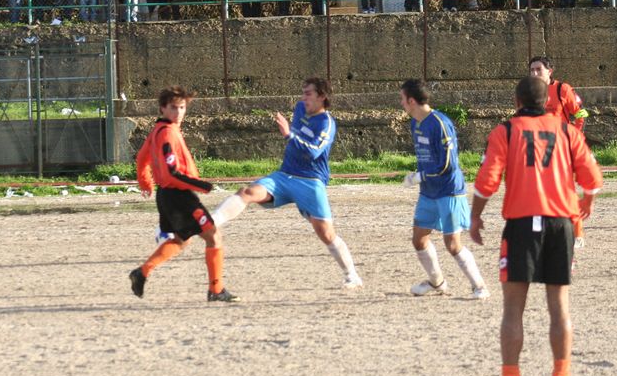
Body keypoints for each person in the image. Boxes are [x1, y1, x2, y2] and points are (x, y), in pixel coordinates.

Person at [470, 76, 602, 376]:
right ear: (548, 102)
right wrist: (587, 201)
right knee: (559, 307)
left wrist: (475, 216)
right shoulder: (567, 131)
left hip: (521, 225)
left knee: (513, 310)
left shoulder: (505, 131)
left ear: (516, 102)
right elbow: (591, 177)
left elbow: (487, 180)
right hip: (560, 224)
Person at [211, 78, 363, 289]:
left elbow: (313, 152)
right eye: (303, 93)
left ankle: (352, 275)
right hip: (284, 176)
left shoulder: (326, 123)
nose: (303, 98)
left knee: (326, 233)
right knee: (247, 192)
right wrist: (291, 134)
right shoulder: (300, 108)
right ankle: (211, 222)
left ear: (322, 97)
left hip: (310, 182)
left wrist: (289, 134)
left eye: (308, 93)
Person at [128, 86, 239, 303]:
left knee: (182, 240)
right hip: (179, 195)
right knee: (214, 236)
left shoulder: (158, 130)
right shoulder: (168, 133)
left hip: (167, 195)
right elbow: (172, 172)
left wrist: (145, 181)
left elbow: (142, 158)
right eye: (173, 107)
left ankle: (142, 272)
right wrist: (201, 185)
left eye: (182, 107)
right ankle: (216, 290)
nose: (178, 112)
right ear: (162, 108)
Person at [399, 80, 488, 299]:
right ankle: (436, 282)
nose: (401, 103)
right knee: (419, 239)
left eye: (402, 99)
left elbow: (448, 164)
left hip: (449, 190)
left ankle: (479, 286)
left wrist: (420, 176)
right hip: (428, 191)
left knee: (453, 244)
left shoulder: (440, 123)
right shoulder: (415, 123)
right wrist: (420, 176)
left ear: (411, 101)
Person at [529, 55, 588, 131]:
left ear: (549, 71)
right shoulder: (527, 91)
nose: (535, 73)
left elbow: (582, 114)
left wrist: (575, 135)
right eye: (532, 70)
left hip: (560, 136)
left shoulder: (562, 89)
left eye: (538, 69)